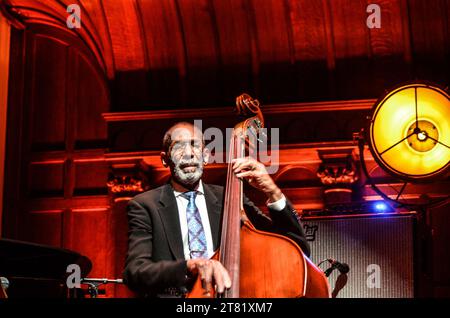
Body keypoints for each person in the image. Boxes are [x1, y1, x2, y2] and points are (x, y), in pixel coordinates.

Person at [123, 122, 310, 297]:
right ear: (165, 159)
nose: (189, 153)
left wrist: (272, 191)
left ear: (205, 156)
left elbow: (296, 248)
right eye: (179, 147)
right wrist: (191, 266)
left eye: (195, 146)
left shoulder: (229, 197)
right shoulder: (145, 205)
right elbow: (135, 272)